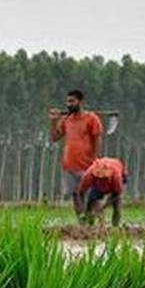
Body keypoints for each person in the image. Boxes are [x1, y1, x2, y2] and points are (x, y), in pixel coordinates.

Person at [48, 89, 104, 223]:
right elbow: (55, 137)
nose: (69, 104)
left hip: (87, 164)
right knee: (76, 195)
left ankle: (100, 223)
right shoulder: (66, 119)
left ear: (81, 102)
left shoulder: (91, 118)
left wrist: (97, 161)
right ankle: (82, 223)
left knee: (92, 196)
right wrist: (53, 122)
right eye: (67, 101)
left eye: (72, 101)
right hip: (69, 164)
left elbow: (97, 139)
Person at [76, 157, 127, 227]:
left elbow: (117, 194)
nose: (101, 179)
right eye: (99, 178)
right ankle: (89, 225)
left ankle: (115, 226)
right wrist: (83, 210)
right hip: (97, 186)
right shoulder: (88, 174)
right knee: (90, 203)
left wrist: (103, 206)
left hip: (114, 186)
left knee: (117, 206)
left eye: (103, 178)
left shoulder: (116, 176)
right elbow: (80, 192)